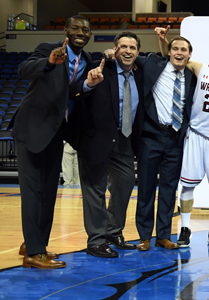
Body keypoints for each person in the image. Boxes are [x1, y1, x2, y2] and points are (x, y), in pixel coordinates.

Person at [14, 15, 94, 269]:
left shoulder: (87, 59)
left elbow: (71, 93)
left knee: (49, 193)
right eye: (75, 28)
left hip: (56, 133)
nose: (81, 32)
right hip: (31, 130)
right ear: (65, 31)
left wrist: (88, 85)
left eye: (86, 29)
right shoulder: (49, 48)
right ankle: (34, 254)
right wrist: (49, 62)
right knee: (33, 193)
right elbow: (24, 70)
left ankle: (35, 243)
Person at [152, 27, 209, 249]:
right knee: (188, 186)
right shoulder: (200, 68)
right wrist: (164, 40)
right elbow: (174, 57)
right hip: (196, 135)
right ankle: (185, 228)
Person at [70, 31, 144, 257]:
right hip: (96, 140)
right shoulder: (100, 66)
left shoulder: (140, 74)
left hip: (124, 140)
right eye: (123, 47)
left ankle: (113, 231)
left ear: (138, 52)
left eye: (132, 47)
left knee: (125, 183)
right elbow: (74, 92)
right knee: (95, 191)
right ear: (115, 49)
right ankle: (96, 241)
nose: (128, 51)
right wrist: (88, 85)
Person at [135, 36, 196, 251]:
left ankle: (163, 235)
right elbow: (131, 56)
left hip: (175, 139)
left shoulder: (191, 76)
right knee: (146, 189)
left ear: (190, 55)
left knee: (169, 191)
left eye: (184, 50)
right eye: (176, 49)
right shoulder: (153, 64)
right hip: (150, 136)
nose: (179, 53)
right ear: (168, 52)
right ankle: (144, 236)